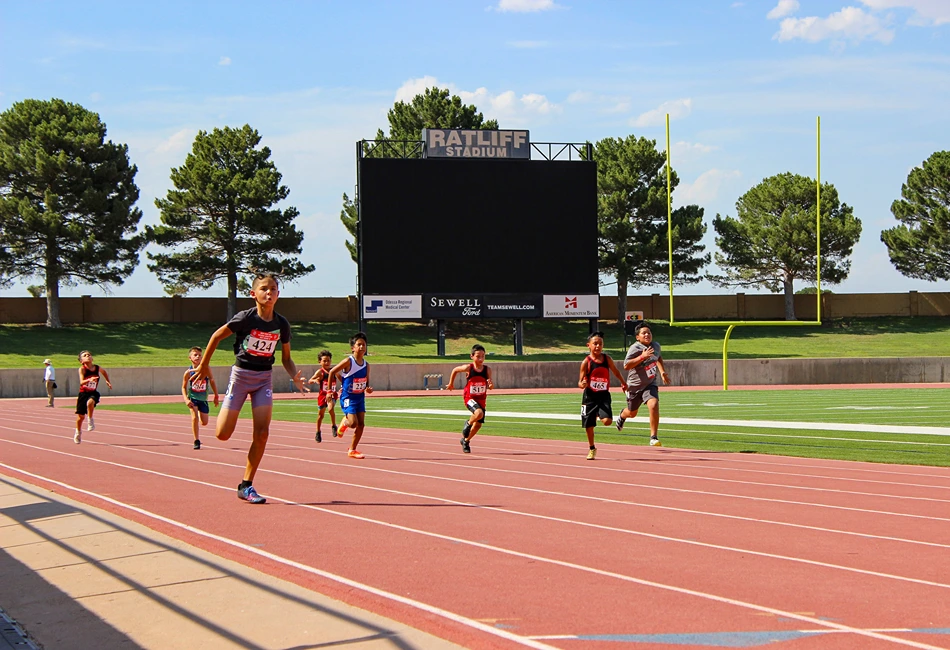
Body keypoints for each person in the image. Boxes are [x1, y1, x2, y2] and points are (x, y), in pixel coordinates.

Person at [190, 274, 309, 504]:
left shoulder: (281, 324)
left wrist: (294, 375)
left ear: (278, 294)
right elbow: (216, 336)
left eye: (273, 289)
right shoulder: (246, 318)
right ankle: (227, 407)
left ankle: (246, 485)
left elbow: (286, 358)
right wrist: (204, 365)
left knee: (263, 434)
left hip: (264, 379)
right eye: (264, 289)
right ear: (253, 294)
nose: (269, 293)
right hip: (241, 376)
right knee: (222, 434)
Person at [615, 322, 671, 446]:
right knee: (632, 413)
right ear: (637, 337)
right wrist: (642, 357)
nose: (647, 335)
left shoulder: (656, 346)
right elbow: (626, 365)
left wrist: (662, 372)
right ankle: (622, 415)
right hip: (634, 387)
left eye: (649, 333)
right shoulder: (635, 348)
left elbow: (658, 357)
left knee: (654, 404)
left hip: (650, 384)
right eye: (643, 333)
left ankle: (653, 437)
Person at [578, 331, 625, 460]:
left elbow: (615, 371)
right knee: (589, 425)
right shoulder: (586, 362)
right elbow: (580, 382)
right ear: (589, 345)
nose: (598, 346)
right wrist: (583, 383)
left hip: (603, 395)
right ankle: (592, 448)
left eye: (600, 344)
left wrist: (623, 383)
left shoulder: (607, 359)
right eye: (595, 344)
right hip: (589, 397)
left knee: (607, 421)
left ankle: (599, 413)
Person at [327, 332, 373, 459]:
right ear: (353, 347)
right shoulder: (348, 361)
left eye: (364, 345)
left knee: (361, 424)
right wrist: (330, 391)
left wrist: (368, 389)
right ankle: (345, 423)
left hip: (360, 397)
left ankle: (352, 450)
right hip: (348, 397)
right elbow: (331, 372)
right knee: (353, 423)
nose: (362, 347)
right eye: (359, 345)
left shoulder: (366, 365)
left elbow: (366, 382)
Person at [446, 344, 494, 453]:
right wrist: (450, 384)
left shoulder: (487, 370)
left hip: (481, 399)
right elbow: (455, 370)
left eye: (483, 356)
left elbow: (490, 384)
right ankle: (467, 424)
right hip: (469, 398)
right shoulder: (469, 368)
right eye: (478, 356)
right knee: (478, 414)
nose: (481, 359)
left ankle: (466, 441)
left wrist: (491, 386)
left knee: (478, 425)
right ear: (472, 356)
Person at [182, 346, 219, 450]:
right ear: (190, 358)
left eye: (200, 355)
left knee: (204, 422)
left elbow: (212, 380)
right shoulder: (188, 373)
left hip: (203, 399)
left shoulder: (206, 369)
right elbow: (183, 387)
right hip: (193, 398)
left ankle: (199, 411)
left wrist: (216, 395)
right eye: (195, 355)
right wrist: (186, 399)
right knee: (194, 418)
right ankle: (196, 440)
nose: (198, 357)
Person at [74, 350, 112, 444]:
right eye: (85, 355)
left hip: (93, 393)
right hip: (83, 394)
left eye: (89, 355)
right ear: (81, 361)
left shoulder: (97, 368)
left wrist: (107, 381)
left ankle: (90, 420)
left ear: (92, 358)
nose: (88, 356)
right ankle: (78, 432)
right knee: (80, 417)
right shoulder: (82, 369)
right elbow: (81, 382)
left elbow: (104, 372)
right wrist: (89, 380)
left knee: (90, 402)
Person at [307, 350, 338, 443]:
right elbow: (310, 380)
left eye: (328, 360)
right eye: (324, 361)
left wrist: (344, 387)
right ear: (319, 362)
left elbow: (342, 379)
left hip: (332, 394)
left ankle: (333, 426)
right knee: (321, 415)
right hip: (322, 395)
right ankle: (318, 431)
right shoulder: (319, 372)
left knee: (330, 408)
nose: (327, 363)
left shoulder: (334, 371)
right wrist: (315, 380)